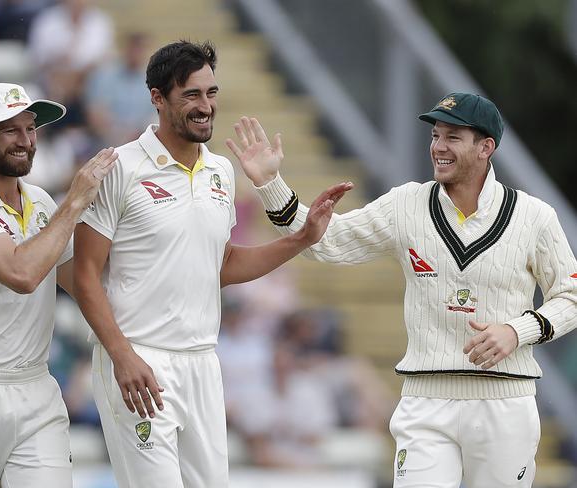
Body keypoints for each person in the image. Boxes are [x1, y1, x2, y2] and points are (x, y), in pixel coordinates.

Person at [227, 94, 577, 488]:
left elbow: (571, 297)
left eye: (453, 137)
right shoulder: (406, 204)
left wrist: (517, 331)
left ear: (486, 147)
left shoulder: (534, 217)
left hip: (505, 401)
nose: (439, 147)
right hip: (425, 400)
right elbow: (329, 241)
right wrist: (271, 184)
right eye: (435, 135)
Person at [72, 40, 352, 488]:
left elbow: (221, 264)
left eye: (211, 94)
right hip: (138, 360)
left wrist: (301, 239)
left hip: (203, 362)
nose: (206, 107)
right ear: (158, 98)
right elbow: (82, 275)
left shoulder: (221, 170)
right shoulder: (118, 168)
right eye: (192, 95)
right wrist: (121, 357)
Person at [0, 82, 117, 488]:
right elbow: (22, 275)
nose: (26, 141)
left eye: (30, 129)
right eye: (10, 130)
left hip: (35, 388)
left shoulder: (43, 203)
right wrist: (75, 203)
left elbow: (81, 283)